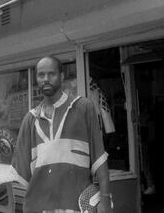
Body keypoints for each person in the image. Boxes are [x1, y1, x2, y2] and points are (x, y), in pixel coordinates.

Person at [11, 56, 112, 213]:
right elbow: (23, 176)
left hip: (77, 207)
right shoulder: (29, 120)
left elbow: (99, 158)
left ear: (62, 76)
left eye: (51, 74)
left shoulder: (83, 108)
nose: (46, 79)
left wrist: (105, 199)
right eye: (41, 75)